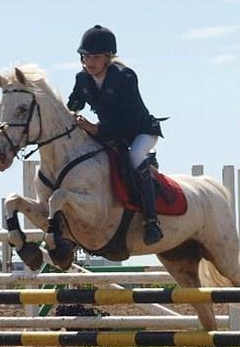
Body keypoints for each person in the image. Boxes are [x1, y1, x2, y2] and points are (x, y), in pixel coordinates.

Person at [66, 25, 165, 245]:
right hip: (109, 131)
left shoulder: (125, 77)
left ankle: (151, 222)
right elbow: (75, 102)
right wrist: (68, 112)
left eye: (96, 56)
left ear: (108, 57)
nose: (89, 62)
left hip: (140, 131)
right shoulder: (82, 78)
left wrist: (94, 129)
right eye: (86, 56)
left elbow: (127, 123)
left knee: (135, 157)